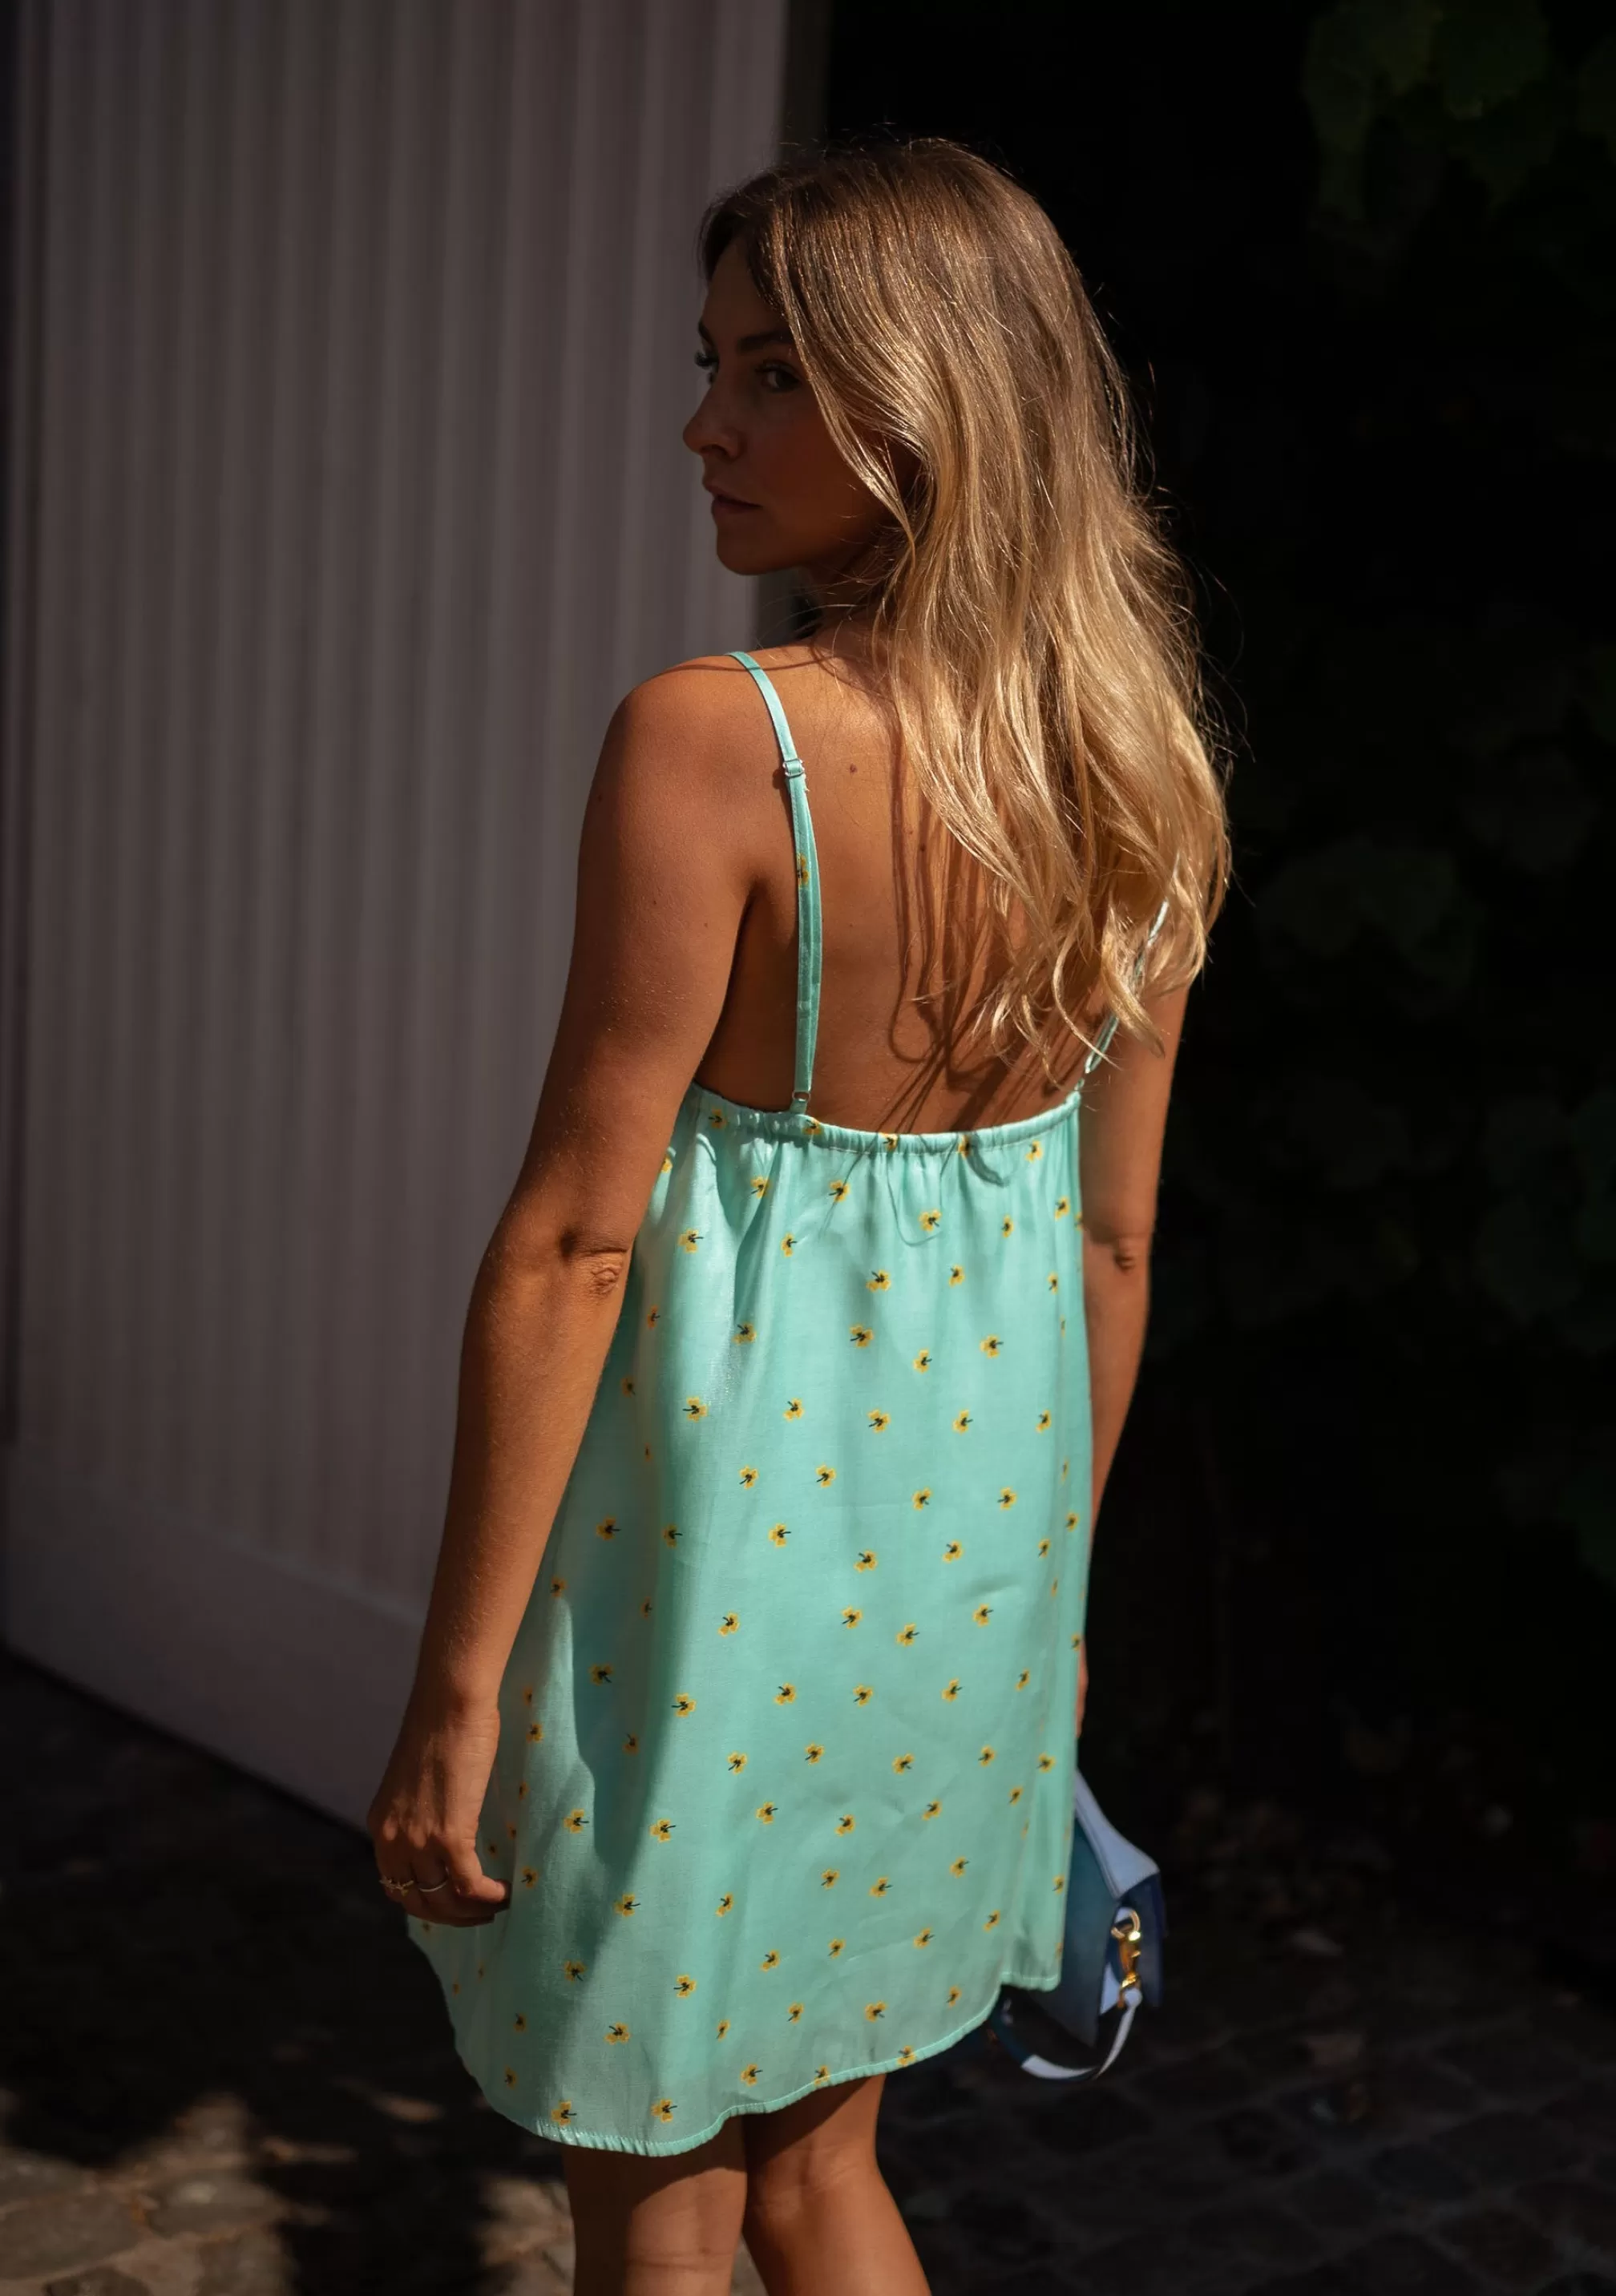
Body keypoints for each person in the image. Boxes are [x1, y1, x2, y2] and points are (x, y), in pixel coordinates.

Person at [366, 137, 1229, 2296]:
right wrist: (1052, 1618)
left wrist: (460, 1686)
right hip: (968, 1607)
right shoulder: (1143, 774)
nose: (705, 427)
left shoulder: (717, 743)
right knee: (825, 2178)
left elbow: (576, 1243)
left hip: (693, 1612)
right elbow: (1112, 1248)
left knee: (657, 2216)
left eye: (771, 375)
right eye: (712, 365)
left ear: (933, 404)